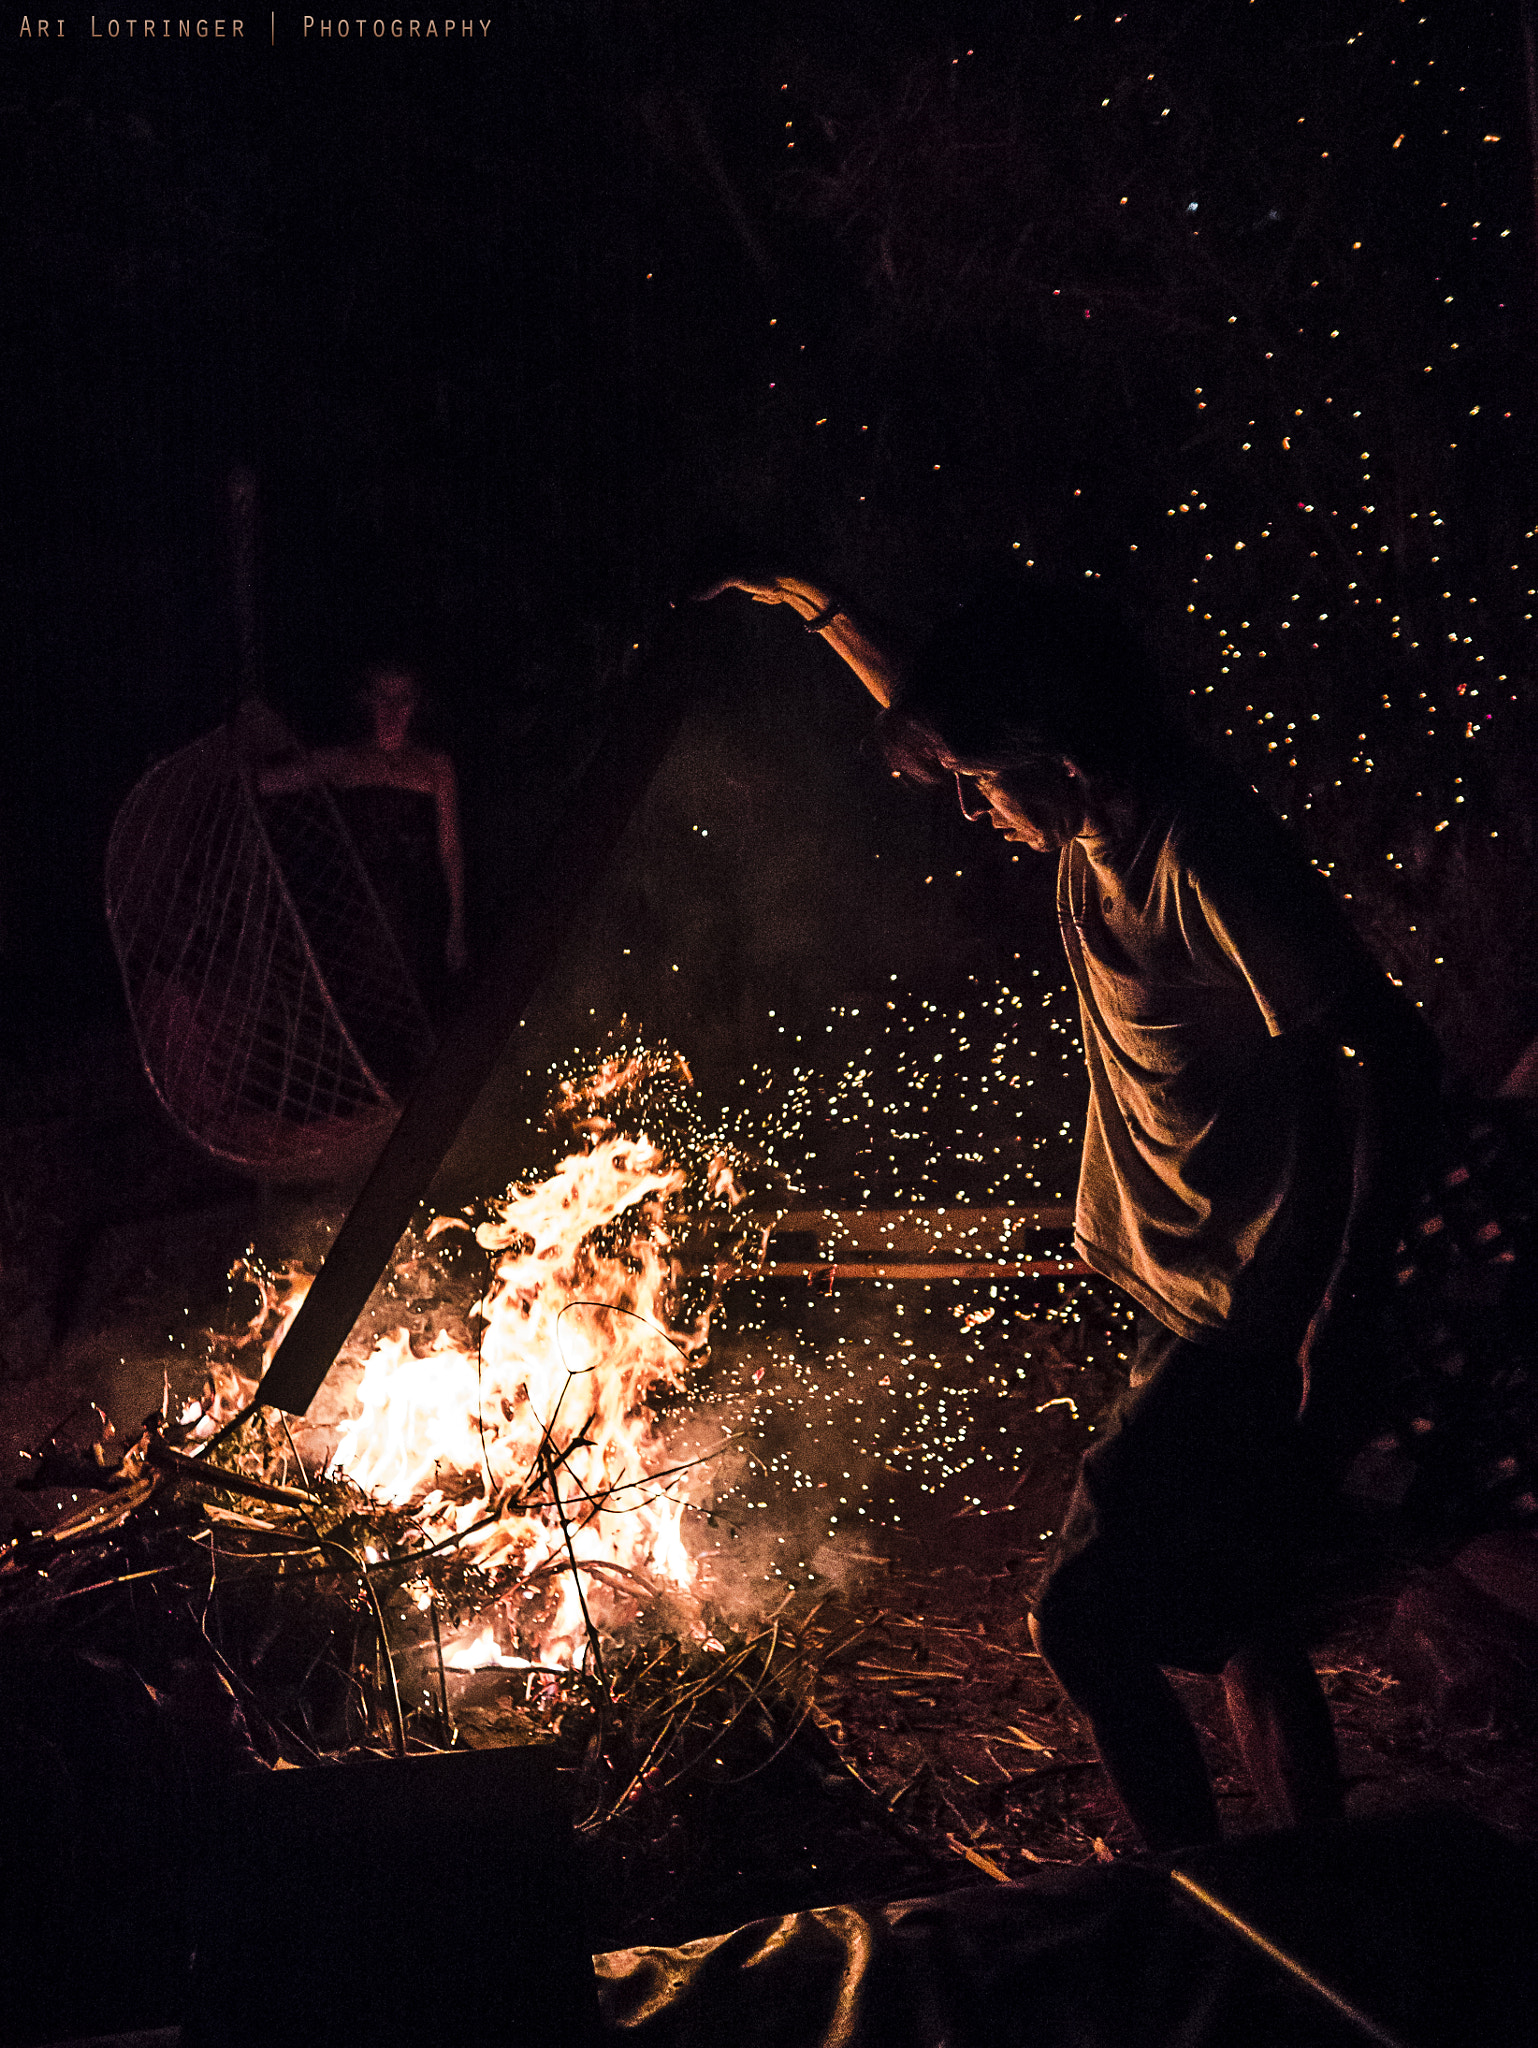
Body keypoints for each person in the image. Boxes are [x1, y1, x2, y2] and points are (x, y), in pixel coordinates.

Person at [702, 566, 1439, 1852]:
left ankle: (1181, 1904)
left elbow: (1385, 1051)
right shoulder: (1099, 818)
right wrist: (813, 603)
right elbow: (942, 711)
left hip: (1251, 1312)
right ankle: (1313, 1898)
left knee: (1080, 1617)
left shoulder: (1197, 851)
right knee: (1244, 1613)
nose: (975, 811)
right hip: (1190, 1284)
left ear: (1053, 752)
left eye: (983, 782)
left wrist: (1343, 1300)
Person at [259, 663, 468, 1004]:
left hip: (419, 907)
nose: (392, 711)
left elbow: (450, 849)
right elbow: (266, 782)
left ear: (416, 705)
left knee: (424, 999)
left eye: (403, 700)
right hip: (361, 908)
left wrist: (456, 924)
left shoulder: (435, 766)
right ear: (367, 700)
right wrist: (256, 743)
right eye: (383, 698)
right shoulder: (344, 760)